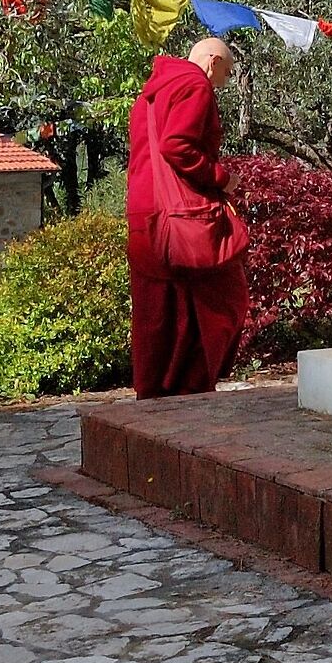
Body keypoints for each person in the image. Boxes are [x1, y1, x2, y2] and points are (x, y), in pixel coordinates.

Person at [126, 36, 250, 397]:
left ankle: (155, 395)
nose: (222, 83)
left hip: (145, 214)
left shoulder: (147, 96)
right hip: (182, 216)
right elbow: (176, 145)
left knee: (159, 314)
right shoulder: (194, 84)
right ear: (212, 62)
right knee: (225, 300)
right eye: (225, 74)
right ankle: (191, 390)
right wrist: (221, 178)